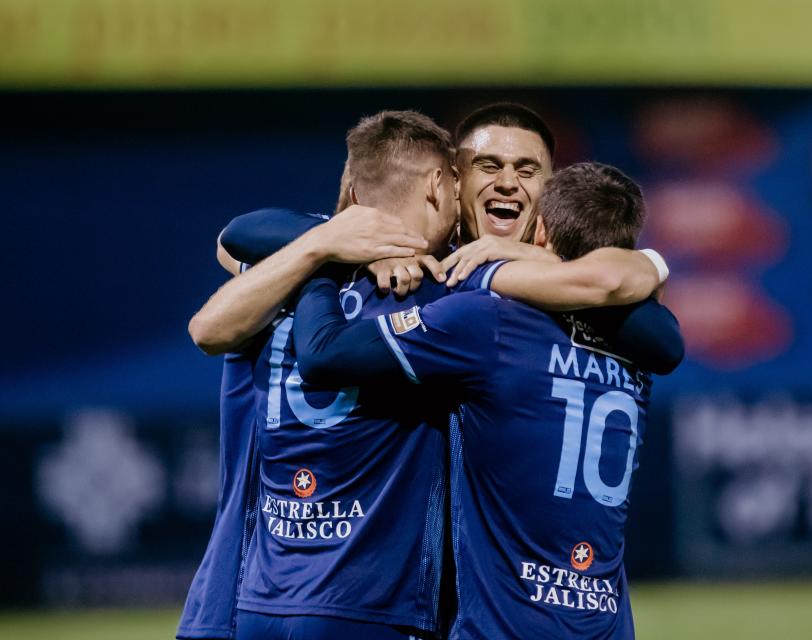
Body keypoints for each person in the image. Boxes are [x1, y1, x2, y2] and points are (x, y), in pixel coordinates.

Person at [287, 162, 679, 639]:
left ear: (540, 231)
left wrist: (320, 266)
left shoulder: (489, 321)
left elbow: (326, 356)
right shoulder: (640, 347)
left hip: (504, 625)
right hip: (605, 623)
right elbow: (638, 305)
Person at [177, 168, 427, 639]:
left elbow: (230, 243)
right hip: (262, 590)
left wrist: (329, 250)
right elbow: (208, 321)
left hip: (255, 598)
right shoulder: (290, 266)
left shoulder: (286, 266)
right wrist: (329, 247)